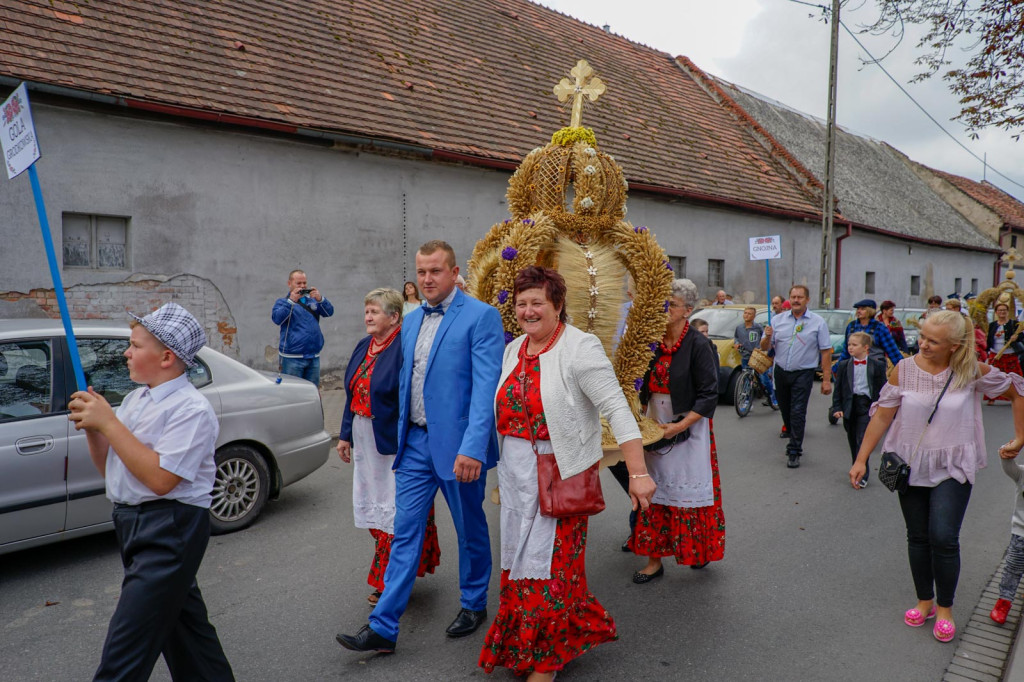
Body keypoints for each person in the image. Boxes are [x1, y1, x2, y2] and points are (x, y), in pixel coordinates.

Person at [478, 266, 655, 681]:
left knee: (553, 568)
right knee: (519, 564)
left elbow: (617, 410)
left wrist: (638, 473)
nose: (528, 311)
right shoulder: (514, 349)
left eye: (537, 302)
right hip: (518, 474)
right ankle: (528, 646)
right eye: (521, 303)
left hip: (561, 475)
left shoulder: (581, 347)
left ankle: (547, 660)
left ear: (558, 305)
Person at [337, 240, 504, 654]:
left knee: (469, 529)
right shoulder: (410, 322)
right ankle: (383, 626)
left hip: (459, 447)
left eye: (435, 271)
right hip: (413, 443)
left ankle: (473, 603)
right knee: (404, 531)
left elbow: (486, 390)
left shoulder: (481, 317)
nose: (427, 279)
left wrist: (474, 448)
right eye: (421, 272)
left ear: (453, 272)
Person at [67, 302, 234, 682]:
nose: (126, 352)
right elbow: (112, 471)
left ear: (166, 357)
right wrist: (96, 430)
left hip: (169, 530)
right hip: (132, 523)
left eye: (135, 345)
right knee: (187, 636)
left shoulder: (191, 409)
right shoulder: (135, 401)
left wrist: (109, 424)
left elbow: (161, 481)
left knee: (124, 654)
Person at [849, 311, 1024, 643]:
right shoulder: (904, 370)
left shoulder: (971, 372)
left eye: (933, 340)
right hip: (909, 463)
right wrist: (861, 459)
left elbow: (1017, 390)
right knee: (917, 536)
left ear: (954, 345)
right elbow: (882, 415)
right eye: (922, 337)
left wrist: (1019, 438)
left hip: (953, 464)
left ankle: (945, 607)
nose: (923, 344)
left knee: (943, 536)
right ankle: (924, 601)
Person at [337, 288, 440, 606]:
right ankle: (404, 568)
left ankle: (388, 582)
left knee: (395, 510)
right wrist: (344, 435)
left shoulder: (403, 349)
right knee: (374, 507)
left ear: (394, 317)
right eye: (366, 311)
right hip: (364, 439)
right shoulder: (363, 345)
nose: (367, 317)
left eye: (374, 312)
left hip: (393, 442)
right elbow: (352, 393)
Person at [630, 277, 724, 580]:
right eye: (663, 303)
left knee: (687, 495)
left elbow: (710, 393)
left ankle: (696, 550)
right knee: (652, 492)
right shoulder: (652, 340)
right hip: (654, 423)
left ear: (688, 310)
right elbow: (636, 380)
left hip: (689, 424)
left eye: (671, 304)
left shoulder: (699, 344)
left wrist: (679, 426)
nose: (665, 309)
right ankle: (654, 561)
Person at [761, 284, 832, 468]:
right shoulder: (777, 320)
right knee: (786, 410)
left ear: (807, 300)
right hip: (781, 371)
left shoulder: (818, 322)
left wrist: (825, 380)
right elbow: (765, 347)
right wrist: (767, 336)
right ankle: (792, 431)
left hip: (803, 373)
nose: (796, 300)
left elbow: (825, 352)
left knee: (798, 411)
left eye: (800, 297)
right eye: (793, 297)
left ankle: (794, 450)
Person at [831, 332, 886, 487]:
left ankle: (863, 473)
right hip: (850, 405)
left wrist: (881, 408)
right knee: (852, 438)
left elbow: (882, 388)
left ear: (865, 347)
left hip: (866, 405)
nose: (850, 347)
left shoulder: (877, 365)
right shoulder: (843, 365)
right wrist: (837, 407)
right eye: (849, 344)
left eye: (854, 345)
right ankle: (856, 465)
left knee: (862, 439)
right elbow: (839, 390)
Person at [271, 269, 334, 386]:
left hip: (313, 356)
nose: (302, 286)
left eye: (304, 283)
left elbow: (329, 312)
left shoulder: (312, 301)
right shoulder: (282, 302)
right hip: (292, 358)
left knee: (312, 392)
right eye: (298, 283)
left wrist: (320, 299)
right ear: (289, 284)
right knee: (293, 393)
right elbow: (277, 319)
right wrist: (291, 301)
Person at [991, 445, 1024, 625]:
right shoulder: (1022, 474)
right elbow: (1009, 467)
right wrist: (1006, 452)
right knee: (1013, 568)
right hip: (1021, 533)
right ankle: (1004, 602)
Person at [837, 299, 904, 368]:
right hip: (854, 367)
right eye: (858, 309)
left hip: (875, 367)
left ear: (870, 311)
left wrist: (903, 368)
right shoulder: (851, 326)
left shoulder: (879, 327)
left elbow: (892, 351)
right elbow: (845, 351)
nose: (859, 311)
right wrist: (835, 369)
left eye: (862, 309)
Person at [733, 306, 777, 408]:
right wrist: (736, 344)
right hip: (745, 356)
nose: (746, 315)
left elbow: (764, 338)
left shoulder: (758, 327)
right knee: (746, 379)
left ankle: (772, 396)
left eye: (749, 313)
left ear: (754, 316)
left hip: (757, 356)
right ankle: (747, 401)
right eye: (745, 313)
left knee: (763, 378)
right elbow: (736, 338)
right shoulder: (739, 328)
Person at [986, 300, 1024, 405]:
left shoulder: (1013, 324)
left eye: (1004, 310)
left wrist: (1016, 337)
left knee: (1014, 377)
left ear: (1007, 312)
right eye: (999, 310)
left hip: (1009, 354)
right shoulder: (993, 325)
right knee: (993, 376)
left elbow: (1021, 335)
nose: (1002, 312)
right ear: (996, 312)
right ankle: (992, 397)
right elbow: (989, 338)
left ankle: (1019, 396)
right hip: (995, 354)